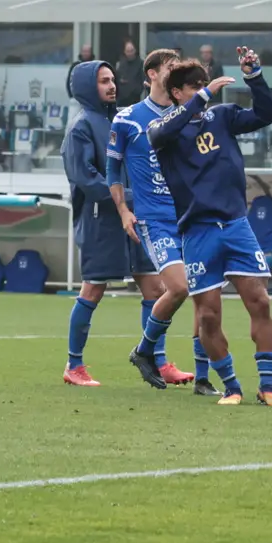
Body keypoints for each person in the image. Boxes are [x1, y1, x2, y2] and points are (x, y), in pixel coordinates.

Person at [148, 50, 272, 405]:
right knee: (208, 313)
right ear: (176, 92)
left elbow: (265, 114)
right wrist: (205, 94)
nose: (200, 89)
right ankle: (232, 386)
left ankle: (268, 385)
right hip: (198, 231)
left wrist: (254, 77)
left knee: (259, 301)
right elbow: (161, 134)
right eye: (192, 86)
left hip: (237, 224)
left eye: (202, 83)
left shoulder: (222, 117)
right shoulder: (163, 128)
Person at [109, 45, 200, 390]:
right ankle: (146, 351)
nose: (177, 70)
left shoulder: (187, 114)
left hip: (190, 216)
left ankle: (203, 376)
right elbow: (112, 169)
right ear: (151, 75)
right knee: (178, 287)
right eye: (171, 66)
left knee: (205, 294)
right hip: (154, 219)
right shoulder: (128, 118)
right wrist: (123, 211)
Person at [58, 59, 135, 386]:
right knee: (94, 288)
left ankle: (158, 361)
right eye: (104, 80)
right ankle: (74, 365)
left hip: (127, 216)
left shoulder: (118, 121)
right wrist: (129, 197)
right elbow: (86, 180)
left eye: (113, 79)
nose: (111, 85)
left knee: (155, 285)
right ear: (89, 87)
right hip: (99, 221)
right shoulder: (81, 127)